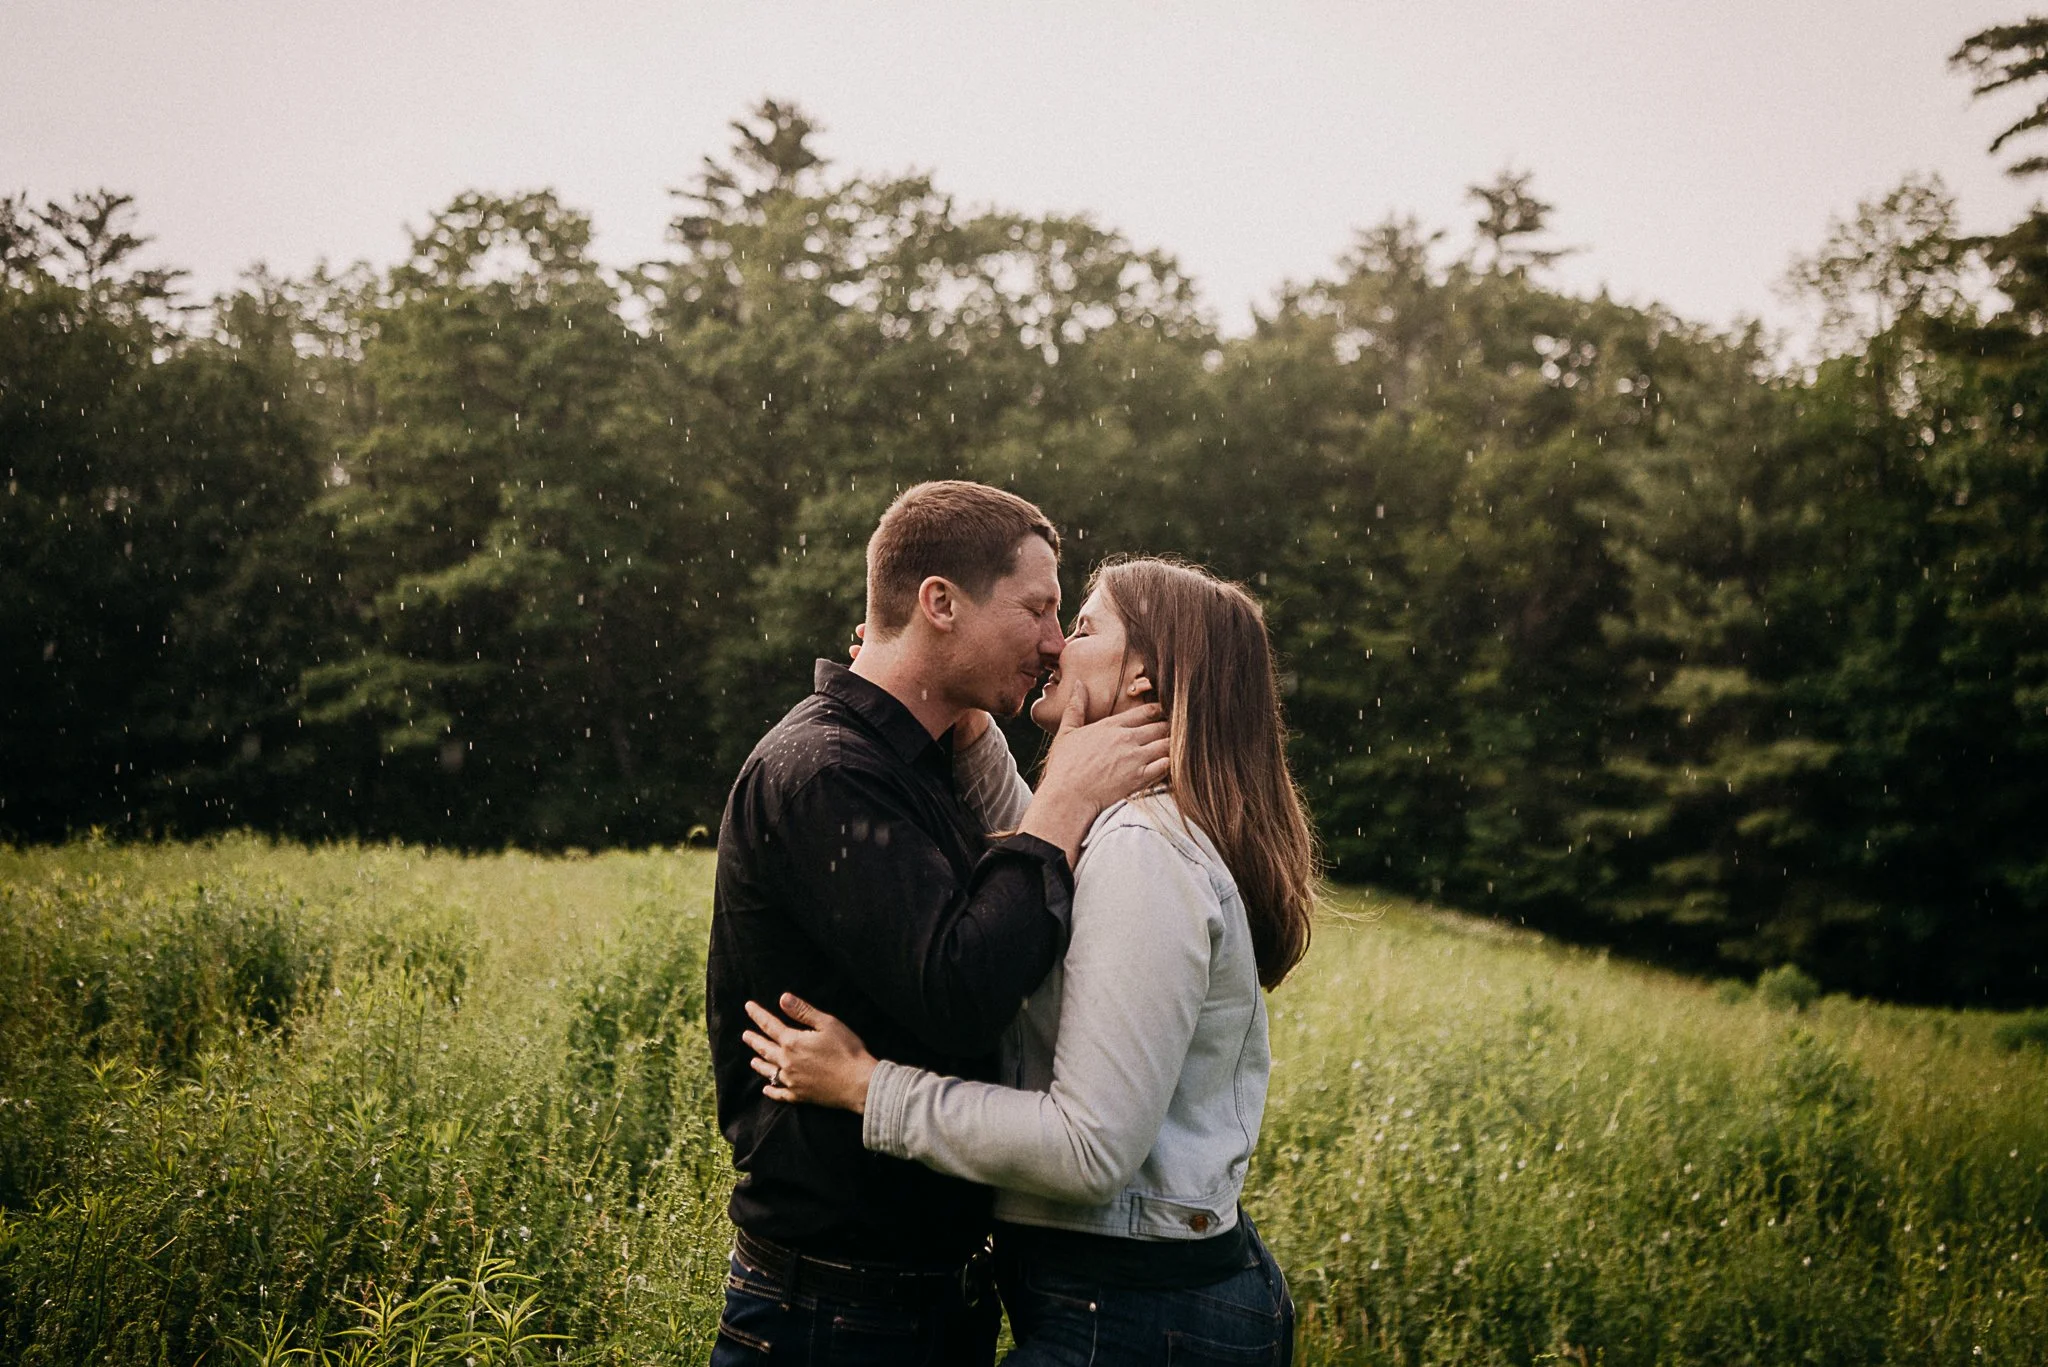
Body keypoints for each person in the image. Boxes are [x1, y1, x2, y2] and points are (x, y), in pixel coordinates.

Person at [744, 557, 1318, 1366]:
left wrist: (869, 1088)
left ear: (1144, 678)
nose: (1053, 647)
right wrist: (965, 711)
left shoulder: (1142, 853)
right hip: (1141, 1300)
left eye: (1082, 627)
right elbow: (1045, 880)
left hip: (1136, 1317)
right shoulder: (1130, 835)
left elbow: (1088, 1148)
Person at [706, 482, 1171, 1366]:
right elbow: (960, 991)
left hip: (925, 1303)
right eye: (1037, 609)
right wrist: (1063, 803)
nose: (1051, 642)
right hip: (835, 1317)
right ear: (940, 603)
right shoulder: (826, 772)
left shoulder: (920, 762)